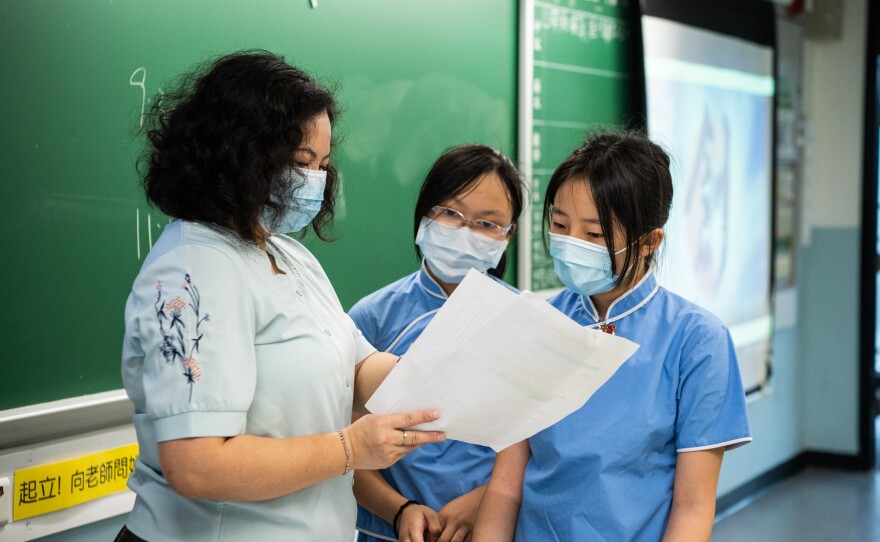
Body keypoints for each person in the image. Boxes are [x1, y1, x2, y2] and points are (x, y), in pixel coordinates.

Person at [118, 51, 445, 542]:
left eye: (322, 164)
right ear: (235, 152)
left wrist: (446, 376)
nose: (314, 180)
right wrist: (350, 449)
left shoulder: (288, 256)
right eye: (298, 162)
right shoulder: (193, 267)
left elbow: (357, 369)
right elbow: (197, 465)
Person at [473, 131, 752, 541]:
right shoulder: (536, 323)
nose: (570, 244)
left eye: (595, 234)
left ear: (650, 241)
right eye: (560, 225)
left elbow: (693, 506)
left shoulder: (696, 340)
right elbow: (505, 488)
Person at [350, 144, 525, 542]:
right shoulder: (371, 318)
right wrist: (400, 511)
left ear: (508, 236)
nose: (465, 232)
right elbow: (343, 448)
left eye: (487, 224)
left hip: (493, 525)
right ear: (424, 213)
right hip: (389, 531)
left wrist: (482, 501)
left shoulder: (524, 321)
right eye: (450, 213)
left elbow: (539, 447)